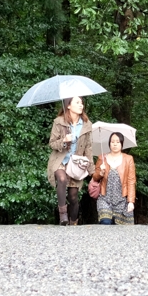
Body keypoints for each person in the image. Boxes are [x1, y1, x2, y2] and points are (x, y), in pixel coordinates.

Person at [47, 96, 93, 225]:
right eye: (77, 102)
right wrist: (64, 141)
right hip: (60, 160)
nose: (81, 105)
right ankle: (63, 216)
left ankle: (74, 223)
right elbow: (52, 144)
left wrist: (91, 170)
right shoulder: (59, 122)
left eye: (82, 103)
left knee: (73, 197)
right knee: (61, 179)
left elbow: (88, 148)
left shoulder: (87, 125)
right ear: (68, 105)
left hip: (76, 163)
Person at [93, 132, 136, 225]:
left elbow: (131, 181)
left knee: (121, 231)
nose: (115, 144)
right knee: (105, 222)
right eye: (112, 142)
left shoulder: (128, 159)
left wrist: (131, 201)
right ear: (109, 144)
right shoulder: (102, 158)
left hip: (122, 200)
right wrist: (100, 173)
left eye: (117, 142)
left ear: (122, 144)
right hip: (105, 199)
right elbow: (95, 177)